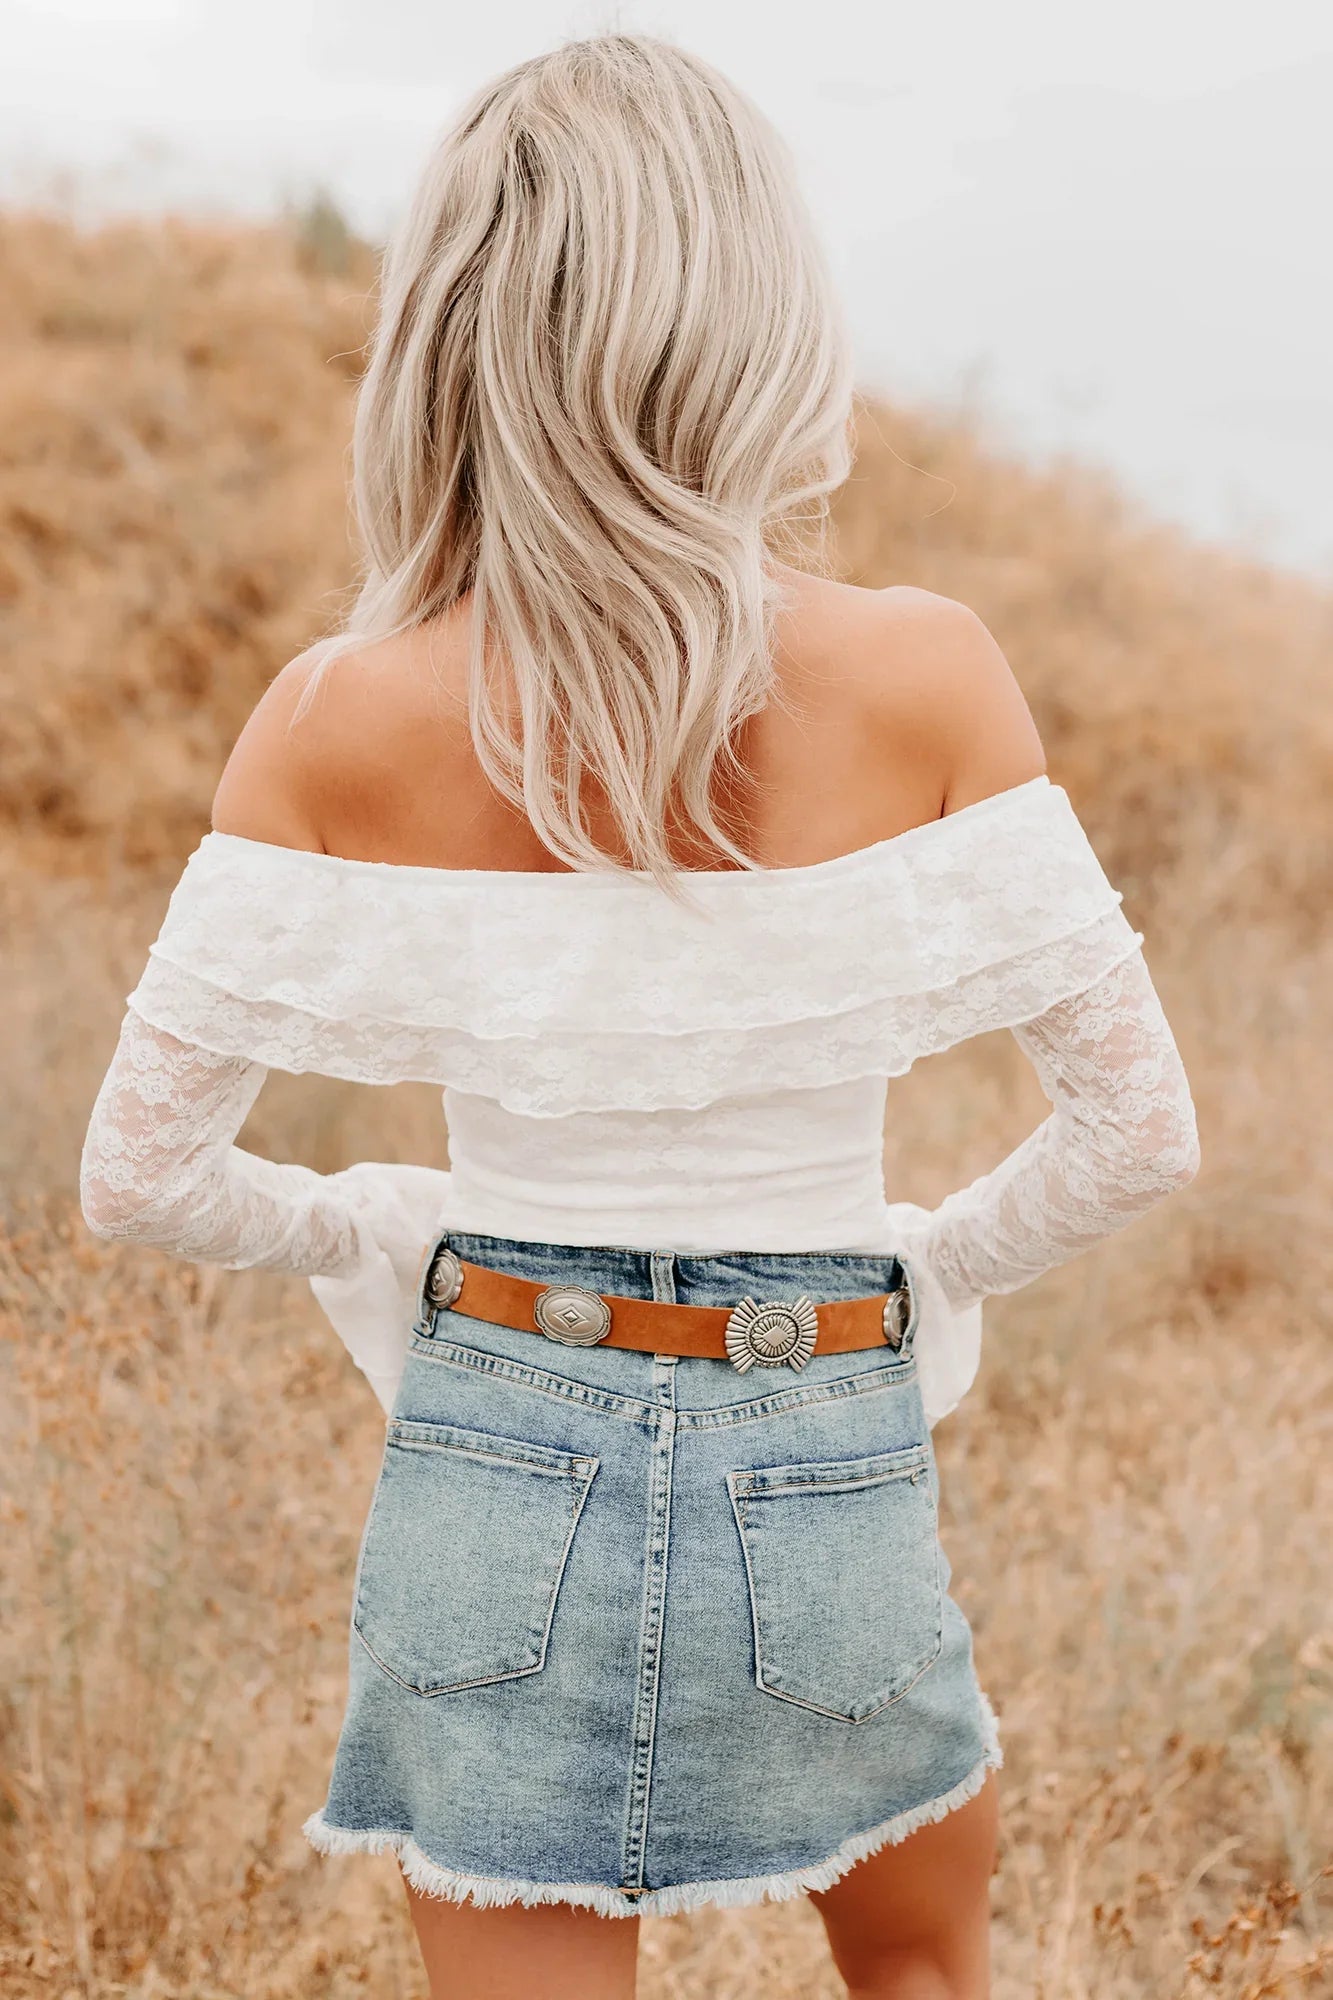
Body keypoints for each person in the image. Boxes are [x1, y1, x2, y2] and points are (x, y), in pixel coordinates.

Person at [78, 32, 1200, 2000]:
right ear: (760, 317)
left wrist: (374, 1225)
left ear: (445, 336)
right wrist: (928, 1266)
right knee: (921, 1976)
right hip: (819, 1408)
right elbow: (1136, 1135)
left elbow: (141, 1177)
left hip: (493, 1433)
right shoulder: (926, 673)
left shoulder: (332, 716)